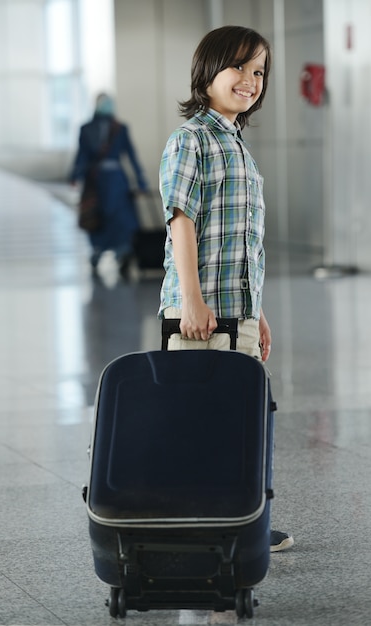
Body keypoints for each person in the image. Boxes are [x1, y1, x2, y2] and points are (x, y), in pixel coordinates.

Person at [158, 26, 294, 553]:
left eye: (259, 71)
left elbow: (244, 241)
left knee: (242, 422)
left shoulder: (237, 145)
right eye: (238, 67)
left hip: (237, 314)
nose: (250, 80)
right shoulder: (192, 139)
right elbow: (181, 220)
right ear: (209, 71)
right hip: (201, 313)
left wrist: (256, 312)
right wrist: (191, 298)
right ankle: (198, 531)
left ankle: (243, 524)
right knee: (199, 424)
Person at [70, 93, 148, 278]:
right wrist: (140, 180)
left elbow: (81, 157)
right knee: (112, 216)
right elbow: (131, 157)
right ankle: (118, 250)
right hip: (113, 181)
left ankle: (105, 249)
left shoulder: (89, 128)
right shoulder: (118, 128)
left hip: (96, 181)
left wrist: (75, 175)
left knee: (105, 216)